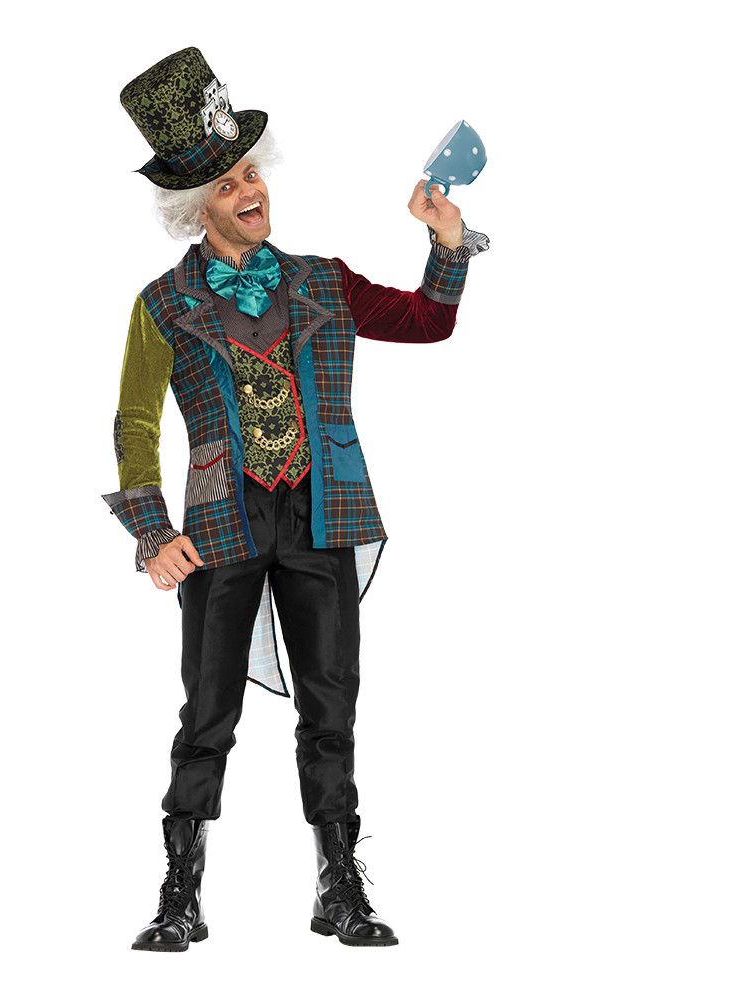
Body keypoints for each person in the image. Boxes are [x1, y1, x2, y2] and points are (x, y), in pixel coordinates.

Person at [102, 46, 490, 952]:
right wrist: (152, 531)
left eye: (250, 173)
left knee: (331, 702)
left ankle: (339, 883)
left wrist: (445, 243)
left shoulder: (323, 280)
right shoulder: (161, 305)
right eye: (226, 183)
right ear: (192, 208)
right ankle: (180, 890)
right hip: (220, 523)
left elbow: (428, 321)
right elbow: (134, 420)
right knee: (207, 711)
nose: (249, 190)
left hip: (323, 513)